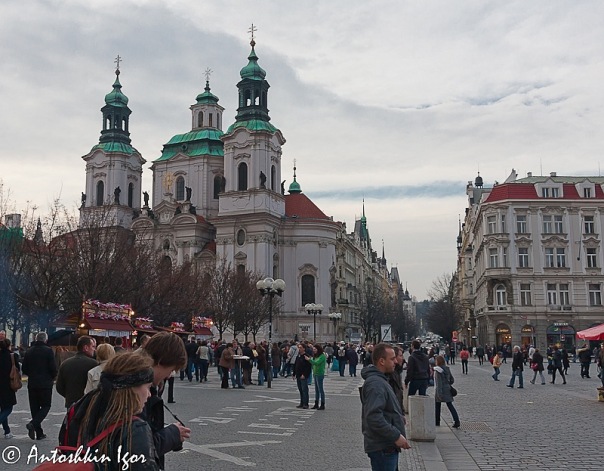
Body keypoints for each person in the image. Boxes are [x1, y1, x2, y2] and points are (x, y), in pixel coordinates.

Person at [58, 352, 160, 470]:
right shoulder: (134, 429)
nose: (149, 394)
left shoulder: (81, 409)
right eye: (148, 387)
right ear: (132, 388)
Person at [138, 332, 190, 469]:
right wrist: (172, 434)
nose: (169, 376)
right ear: (161, 361)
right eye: (171, 369)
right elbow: (139, 449)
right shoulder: (136, 393)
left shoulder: (139, 385)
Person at [360, 343, 410, 471]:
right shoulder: (376, 384)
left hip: (386, 446)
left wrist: (398, 417)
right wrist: (396, 435)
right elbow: (373, 417)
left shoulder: (382, 379)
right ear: (381, 361)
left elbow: (385, 409)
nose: (396, 362)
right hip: (383, 447)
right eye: (392, 359)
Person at [20, 332, 57, 440]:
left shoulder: (29, 351)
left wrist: (32, 374)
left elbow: (24, 368)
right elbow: (53, 368)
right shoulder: (48, 351)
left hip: (32, 383)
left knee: (34, 408)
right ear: (45, 340)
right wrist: (52, 376)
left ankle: (39, 433)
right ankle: (33, 424)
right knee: (46, 406)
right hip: (45, 383)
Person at [56, 335, 98, 408]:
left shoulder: (65, 363)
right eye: (93, 346)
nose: (94, 349)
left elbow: (59, 387)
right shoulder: (94, 364)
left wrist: (68, 395)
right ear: (86, 348)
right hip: (87, 403)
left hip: (71, 403)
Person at [433, 355, 460, 428]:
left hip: (440, 390)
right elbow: (452, 380)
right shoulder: (447, 369)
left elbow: (439, 383)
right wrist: (447, 384)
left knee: (437, 406)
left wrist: (439, 394)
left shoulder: (437, 370)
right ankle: (457, 421)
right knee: (450, 405)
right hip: (447, 389)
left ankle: (437, 421)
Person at [0, 338, 18, 439]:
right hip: (7, 385)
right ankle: (6, 431)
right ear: (9, 345)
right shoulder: (12, 356)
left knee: (3, 408)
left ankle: (7, 431)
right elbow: (17, 369)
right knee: (8, 408)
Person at [306, 344, 326, 410]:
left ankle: (322, 404)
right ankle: (316, 403)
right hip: (315, 373)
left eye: (315, 349)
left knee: (320, 389)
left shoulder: (322, 356)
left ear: (318, 349)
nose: (314, 350)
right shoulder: (316, 356)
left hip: (320, 374)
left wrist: (309, 360)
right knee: (316, 390)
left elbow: (317, 363)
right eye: (313, 349)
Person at [293, 342, 311, 408]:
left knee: (304, 390)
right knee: (300, 389)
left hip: (303, 375)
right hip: (298, 375)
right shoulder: (298, 356)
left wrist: (305, 374)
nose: (299, 349)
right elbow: (295, 365)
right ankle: (302, 402)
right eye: (298, 347)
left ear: (304, 348)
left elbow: (308, 367)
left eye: (300, 348)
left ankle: (306, 403)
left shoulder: (306, 356)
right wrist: (294, 373)